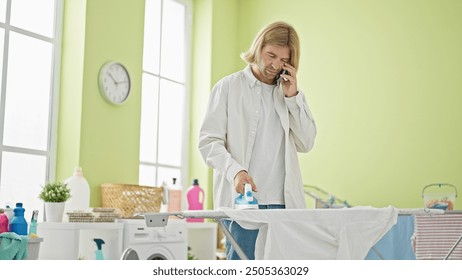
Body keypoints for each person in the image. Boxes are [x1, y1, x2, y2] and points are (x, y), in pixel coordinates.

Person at [198, 21, 317, 260]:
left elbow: (306, 142)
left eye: (284, 60)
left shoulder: (288, 94)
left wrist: (293, 96)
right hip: (244, 202)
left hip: (284, 204)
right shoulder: (228, 88)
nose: (275, 65)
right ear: (259, 47)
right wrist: (236, 172)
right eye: (271, 55)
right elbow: (208, 142)